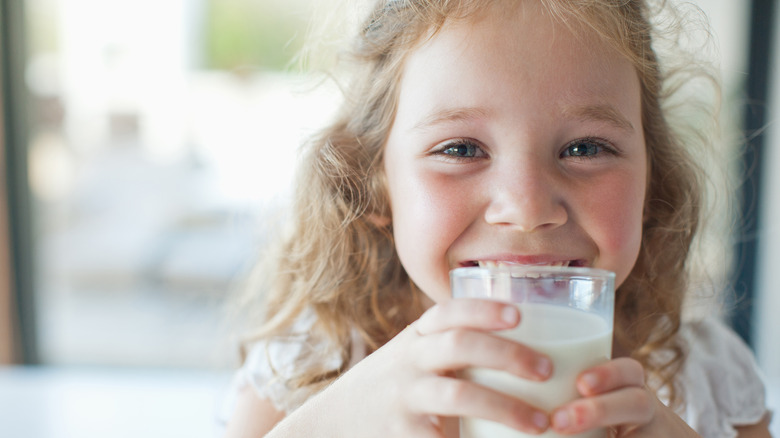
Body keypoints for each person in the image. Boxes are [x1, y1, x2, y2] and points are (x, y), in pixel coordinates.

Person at [221, 0, 772, 436]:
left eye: (585, 148)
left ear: (653, 179)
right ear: (373, 183)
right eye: (460, 149)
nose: (528, 208)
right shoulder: (312, 369)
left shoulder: (703, 379)